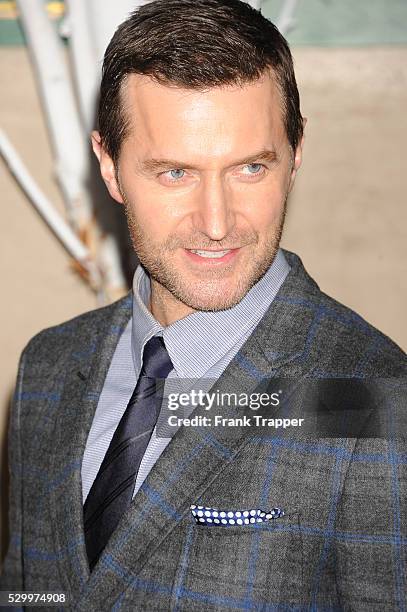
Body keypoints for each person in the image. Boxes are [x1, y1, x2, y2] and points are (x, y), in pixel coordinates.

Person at [1, 0, 406, 609]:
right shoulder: (48, 368)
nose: (217, 224)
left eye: (250, 167)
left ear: (295, 153)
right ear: (109, 166)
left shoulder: (378, 401)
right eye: (174, 173)